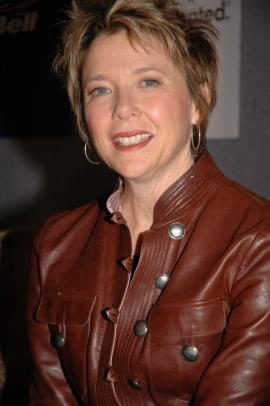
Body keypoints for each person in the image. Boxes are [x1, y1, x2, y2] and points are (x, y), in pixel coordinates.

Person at [27, 0, 270, 404]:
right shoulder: (54, 244)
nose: (122, 109)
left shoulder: (258, 242)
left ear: (198, 101)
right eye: (100, 90)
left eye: (149, 82)